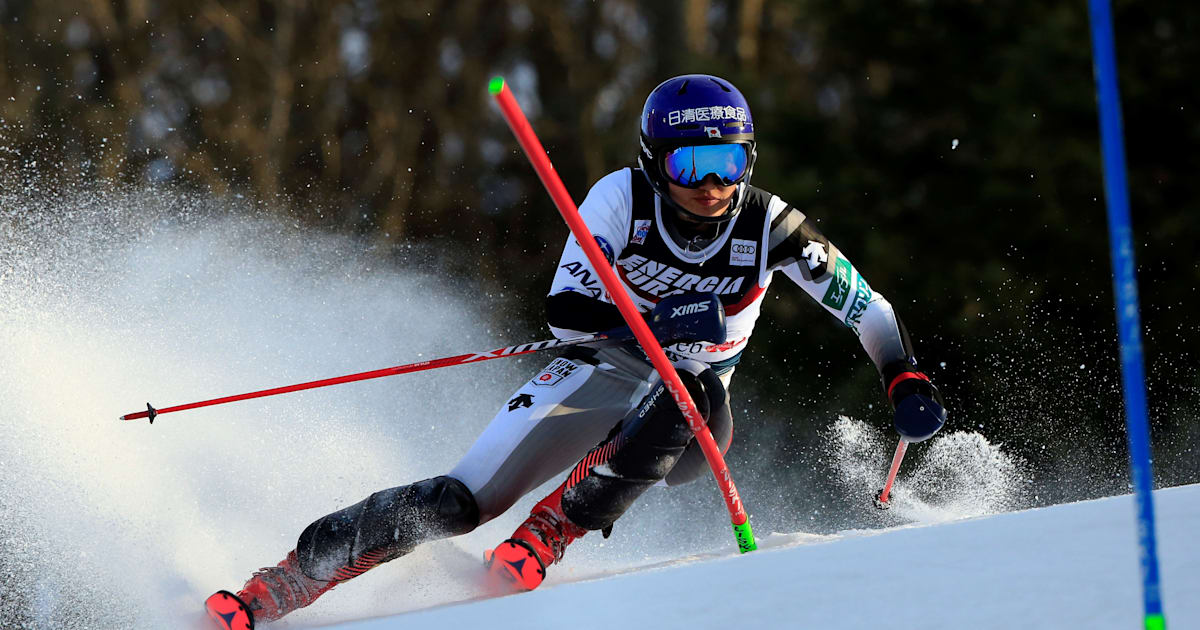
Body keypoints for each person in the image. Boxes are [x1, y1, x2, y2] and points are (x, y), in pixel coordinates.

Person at [203, 73, 947, 629]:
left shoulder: (771, 225)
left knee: (695, 389)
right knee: (459, 501)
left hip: (688, 413)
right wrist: (656, 322)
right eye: (691, 167)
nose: (713, 185)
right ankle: (287, 582)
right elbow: (565, 311)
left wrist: (902, 375)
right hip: (597, 368)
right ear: (657, 163)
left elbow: (868, 310)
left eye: (728, 162)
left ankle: (553, 530)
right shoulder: (619, 199)